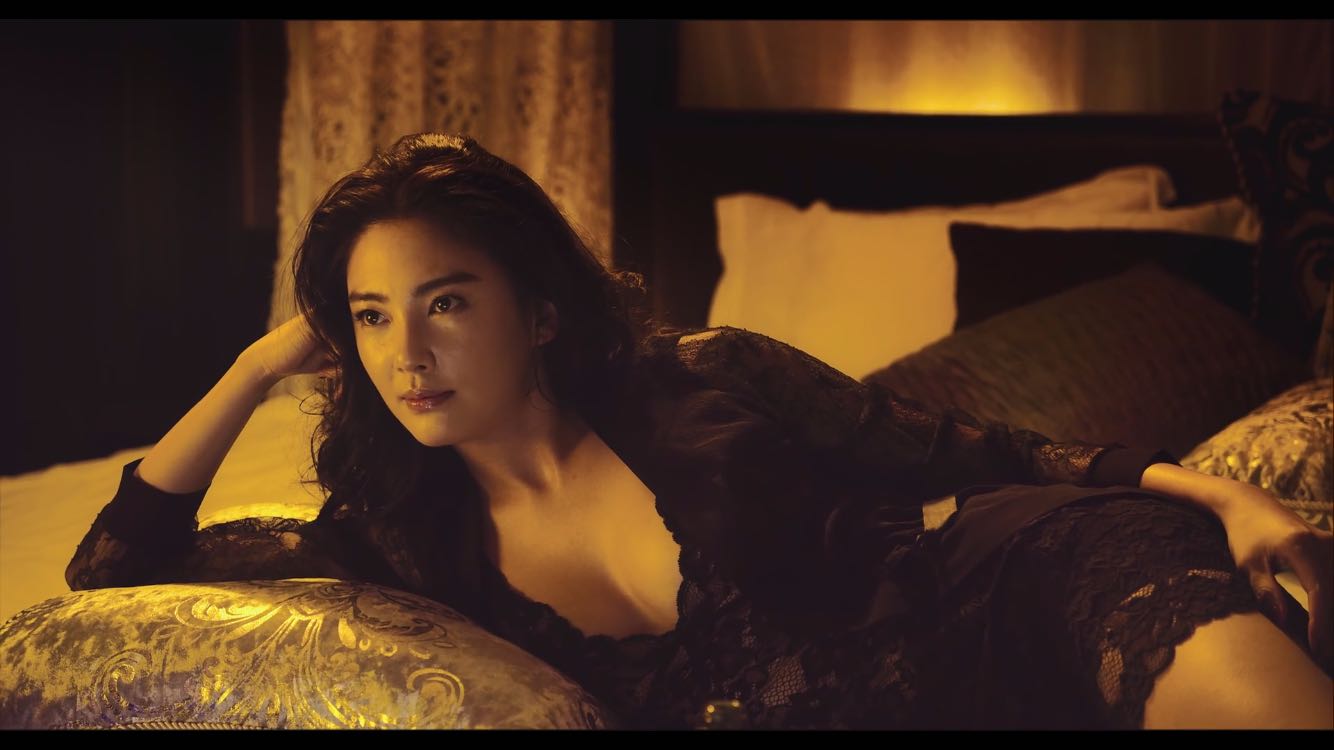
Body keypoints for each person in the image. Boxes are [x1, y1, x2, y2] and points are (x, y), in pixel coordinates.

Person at [67, 133, 1333, 730]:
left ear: (540, 309)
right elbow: (114, 574)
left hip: (1018, 590)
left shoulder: (702, 376)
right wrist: (252, 367)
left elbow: (974, 449)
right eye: (368, 317)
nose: (406, 355)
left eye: (445, 303)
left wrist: (1218, 494)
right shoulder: (400, 539)